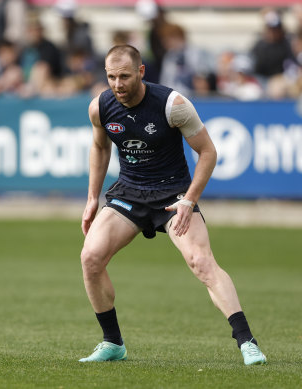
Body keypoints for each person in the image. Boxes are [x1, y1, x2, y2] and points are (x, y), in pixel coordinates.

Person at [78, 44, 267, 366]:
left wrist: (190, 200)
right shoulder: (101, 106)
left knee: (201, 262)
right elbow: (99, 148)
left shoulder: (173, 104)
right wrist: (93, 197)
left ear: (141, 72)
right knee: (90, 258)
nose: (117, 84)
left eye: (124, 76)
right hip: (129, 192)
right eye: (111, 77)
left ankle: (247, 342)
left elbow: (208, 153)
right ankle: (112, 343)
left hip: (173, 195)